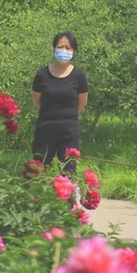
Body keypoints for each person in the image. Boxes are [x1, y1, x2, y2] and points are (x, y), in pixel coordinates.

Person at [32, 32, 88, 172]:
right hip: (45, 127)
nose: (63, 50)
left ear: (74, 51)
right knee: (39, 169)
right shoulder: (42, 74)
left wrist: (67, 116)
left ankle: (68, 194)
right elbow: (36, 100)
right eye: (60, 47)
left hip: (69, 129)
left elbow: (82, 103)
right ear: (54, 48)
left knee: (68, 170)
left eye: (67, 48)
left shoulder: (79, 76)